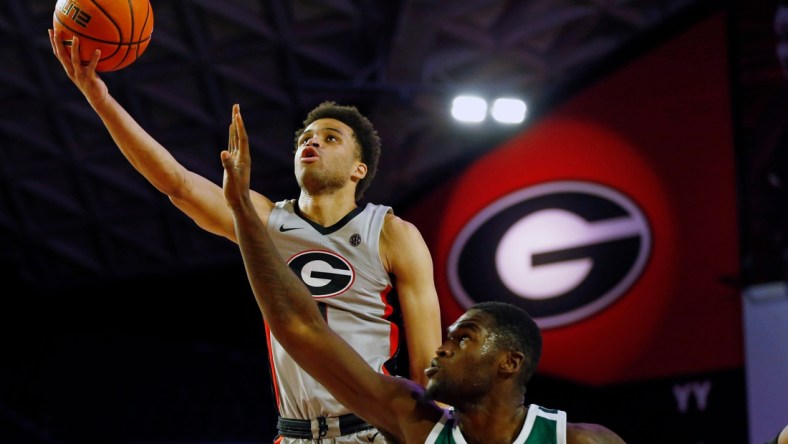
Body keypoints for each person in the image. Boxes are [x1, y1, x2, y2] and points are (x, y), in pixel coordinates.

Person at [48, 31, 443, 442]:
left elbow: (431, 367)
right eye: (306, 138)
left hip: (372, 430)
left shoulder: (392, 232)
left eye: (330, 138)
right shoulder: (266, 220)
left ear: (358, 170)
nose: (312, 142)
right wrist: (100, 99)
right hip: (294, 434)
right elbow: (177, 184)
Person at [221, 103, 627, 443]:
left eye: (464, 338)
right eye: (452, 337)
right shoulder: (420, 427)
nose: (442, 348)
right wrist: (241, 209)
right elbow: (299, 326)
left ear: (508, 362)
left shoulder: (576, 439)